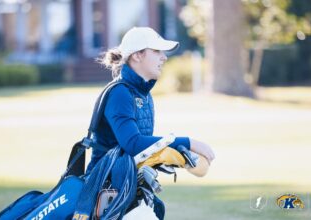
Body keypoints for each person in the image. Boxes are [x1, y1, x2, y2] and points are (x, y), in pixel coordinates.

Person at [87, 27, 215, 219]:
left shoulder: (143, 94)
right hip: (105, 193)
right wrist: (188, 143)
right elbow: (133, 144)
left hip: (128, 189)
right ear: (137, 56)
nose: (164, 57)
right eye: (157, 51)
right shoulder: (120, 93)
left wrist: (171, 154)